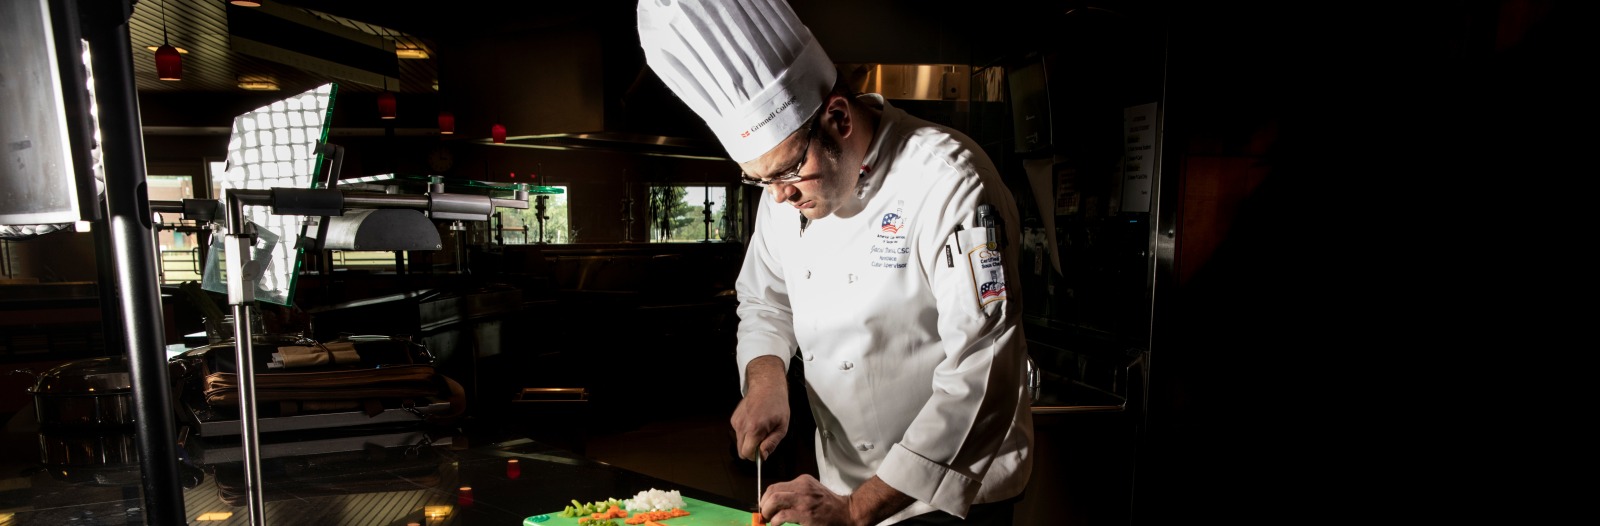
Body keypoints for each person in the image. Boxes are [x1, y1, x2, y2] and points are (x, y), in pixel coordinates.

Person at [637, 1, 1033, 524]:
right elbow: (765, 300)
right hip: (841, 486)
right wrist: (766, 380)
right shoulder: (784, 191)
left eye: (786, 173)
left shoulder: (950, 183)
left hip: (949, 498)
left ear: (839, 118)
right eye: (760, 181)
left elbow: (984, 375)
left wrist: (857, 508)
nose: (776, 198)